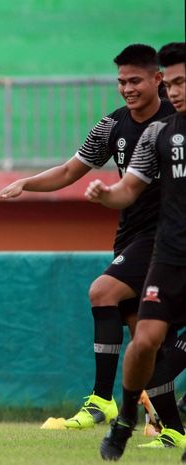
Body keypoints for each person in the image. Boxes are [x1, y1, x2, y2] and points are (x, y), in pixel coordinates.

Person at [0, 44, 175, 431]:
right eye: (121, 81)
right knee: (143, 340)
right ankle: (167, 427)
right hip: (130, 235)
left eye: (135, 80)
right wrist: (25, 183)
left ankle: (103, 400)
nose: (126, 88)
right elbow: (71, 169)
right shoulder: (112, 125)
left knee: (103, 292)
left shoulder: (175, 124)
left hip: (164, 237)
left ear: (158, 79)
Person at [82, 42, 186, 460]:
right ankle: (126, 416)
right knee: (144, 343)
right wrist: (105, 194)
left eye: (182, 82)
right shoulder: (160, 133)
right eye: (174, 83)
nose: (176, 92)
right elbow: (127, 188)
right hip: (170, 255)